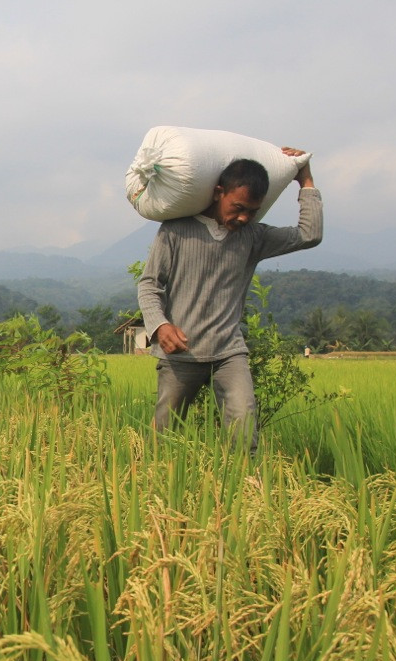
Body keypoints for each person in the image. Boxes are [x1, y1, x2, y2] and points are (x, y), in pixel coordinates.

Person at [135, 148, 321, 450]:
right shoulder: (176, 230)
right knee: (164, 438)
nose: (244, 217)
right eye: (238, 207)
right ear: (219, 192)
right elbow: (149, 284)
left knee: (244, 432)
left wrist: (306, 180)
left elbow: (310, 234)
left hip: (228, 352)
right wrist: (160, 326)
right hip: (181, 355)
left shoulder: (253, 237)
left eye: (252, 211)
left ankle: (242, 478)